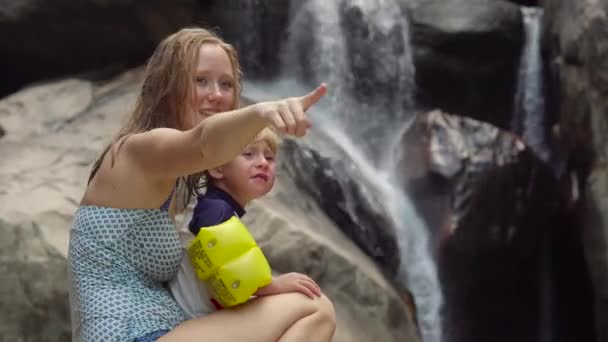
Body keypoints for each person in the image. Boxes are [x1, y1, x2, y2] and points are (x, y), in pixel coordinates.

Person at [67, 27, 336, 342]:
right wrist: (263, 112)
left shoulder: (175, 181)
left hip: (163, 330)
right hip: (128, 335)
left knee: (312, 307)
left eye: (226, 84)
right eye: (201, 80)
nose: (218, 94)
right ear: (168, 87)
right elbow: (204, 144)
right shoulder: (138, 151)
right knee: (313, 307)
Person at [169, 127, 321, 317]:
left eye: (269, 157)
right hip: (185, 317)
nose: (263, 163)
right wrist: (272, 285)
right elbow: (230, 264)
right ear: (218, 168)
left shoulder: (219, 207)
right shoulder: (214, 208)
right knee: (304, 307)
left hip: (196, 316)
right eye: (248, 154)